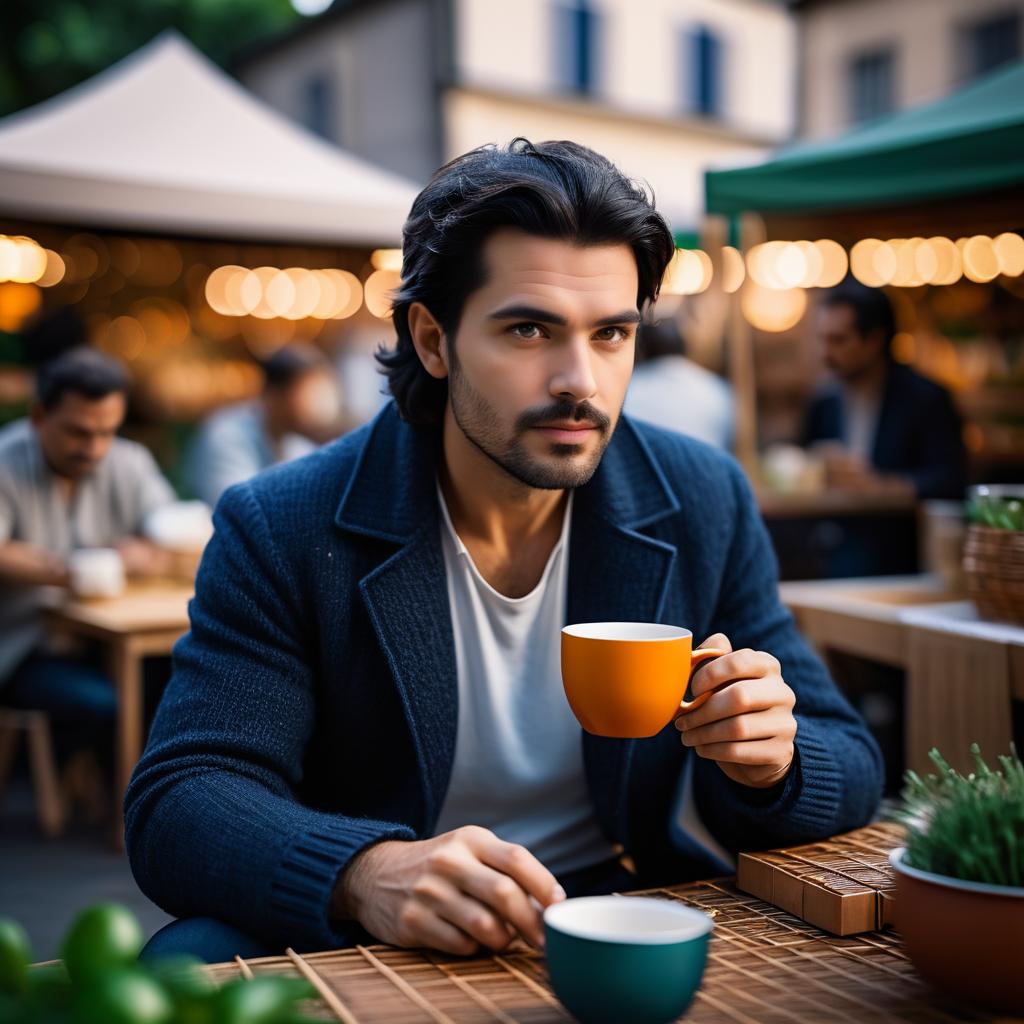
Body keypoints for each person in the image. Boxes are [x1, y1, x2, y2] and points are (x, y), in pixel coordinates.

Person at [127, 139, 883, 962]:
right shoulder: (286, 523)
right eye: (529, 329)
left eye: (611, 334)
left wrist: (773, 761)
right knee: (185, 956)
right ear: (432, 339)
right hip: (384, 923)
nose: (580, 380)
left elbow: (849, 757)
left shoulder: (699, 497)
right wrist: (364, 872)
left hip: (615, 901)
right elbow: (183, 797)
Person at [0, 347, 176, 777]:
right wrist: (81, 569)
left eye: (107, 432)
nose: (94, 447)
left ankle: (140, 802)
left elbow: (169, 529)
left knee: (182, 680)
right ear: (40, 415)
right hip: (22, 644)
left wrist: (148, 549)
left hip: (103, 641)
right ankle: (112, 807)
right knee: (108, 702)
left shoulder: (129, 460)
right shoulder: (5, 459)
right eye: (78, 433)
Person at [800, 282, 968, 576]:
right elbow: (804, 460)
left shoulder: (925, 398)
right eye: (822, 340)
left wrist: (882, 486)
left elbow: (951, 478)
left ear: (875, 340)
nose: (825, 353)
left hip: (907, 558)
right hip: (834, 552)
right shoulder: (823, 402)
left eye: (838, 341)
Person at [185, 344, 343, 507]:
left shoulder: (296, 442)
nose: (317, 405)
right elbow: (236, 507)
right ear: (272, 395)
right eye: (308, 394)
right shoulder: (225, 434)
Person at [623, 319, 734, 449]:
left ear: (643, 348)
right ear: (684, 344)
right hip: (708, 466)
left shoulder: (629, 389)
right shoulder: (717, 388)